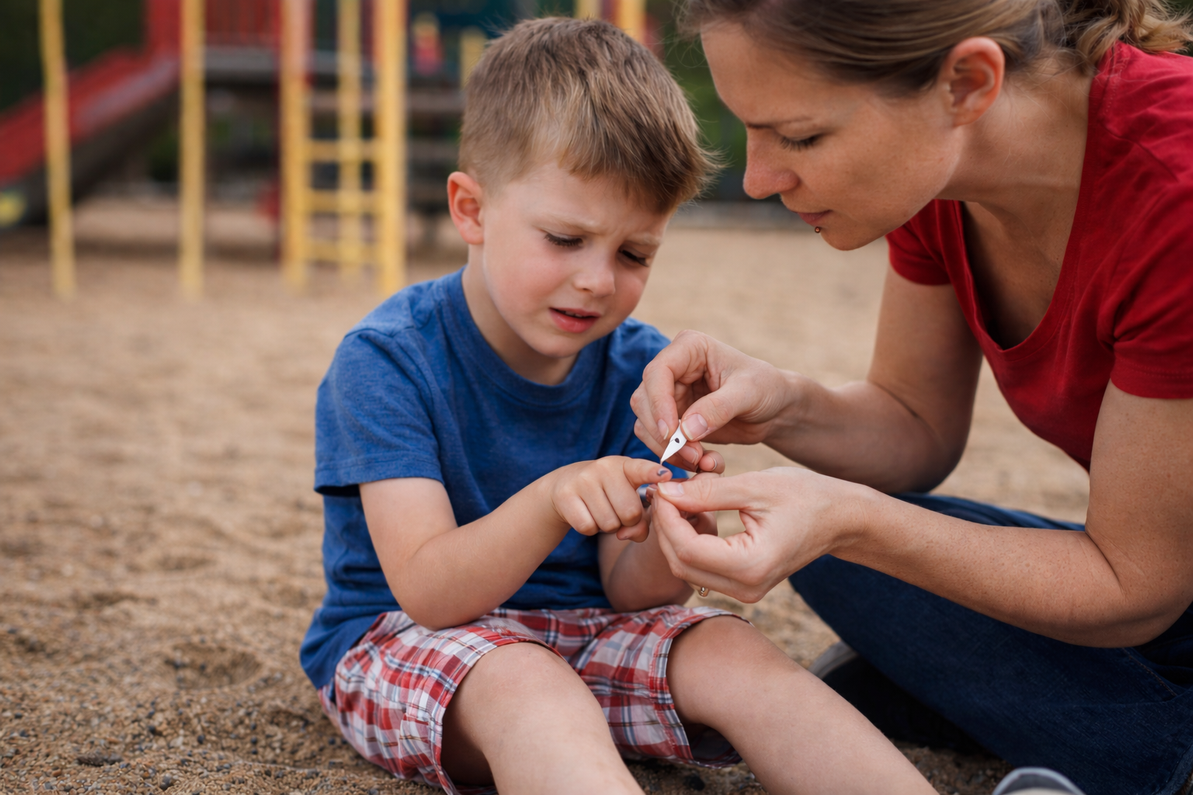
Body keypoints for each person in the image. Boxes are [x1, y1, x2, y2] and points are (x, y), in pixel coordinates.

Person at [299, 18, 936, 795]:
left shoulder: (637, 363)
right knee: (529, 682)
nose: (599, 280)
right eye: (564, 238)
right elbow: (430, 590)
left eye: (633, 254)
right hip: (407, 641)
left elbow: (629, 593)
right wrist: (553, 498)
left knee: (734, 652)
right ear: (470, 210)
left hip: (588, 629)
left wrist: (669, 540)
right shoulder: (387, 360)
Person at [630, 1, 1193, 794]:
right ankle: (1067, 715)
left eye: (800, 136)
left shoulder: (1175, 187)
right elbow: (914, 428)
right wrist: (779, 401)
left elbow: (1135, 586)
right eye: (749, 129)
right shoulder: (941, 177)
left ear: (965, 83)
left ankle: (1141, 747)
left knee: (853, 530)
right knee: (837, 555)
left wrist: (852, 517)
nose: (758, 179)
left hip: (1151, 584)